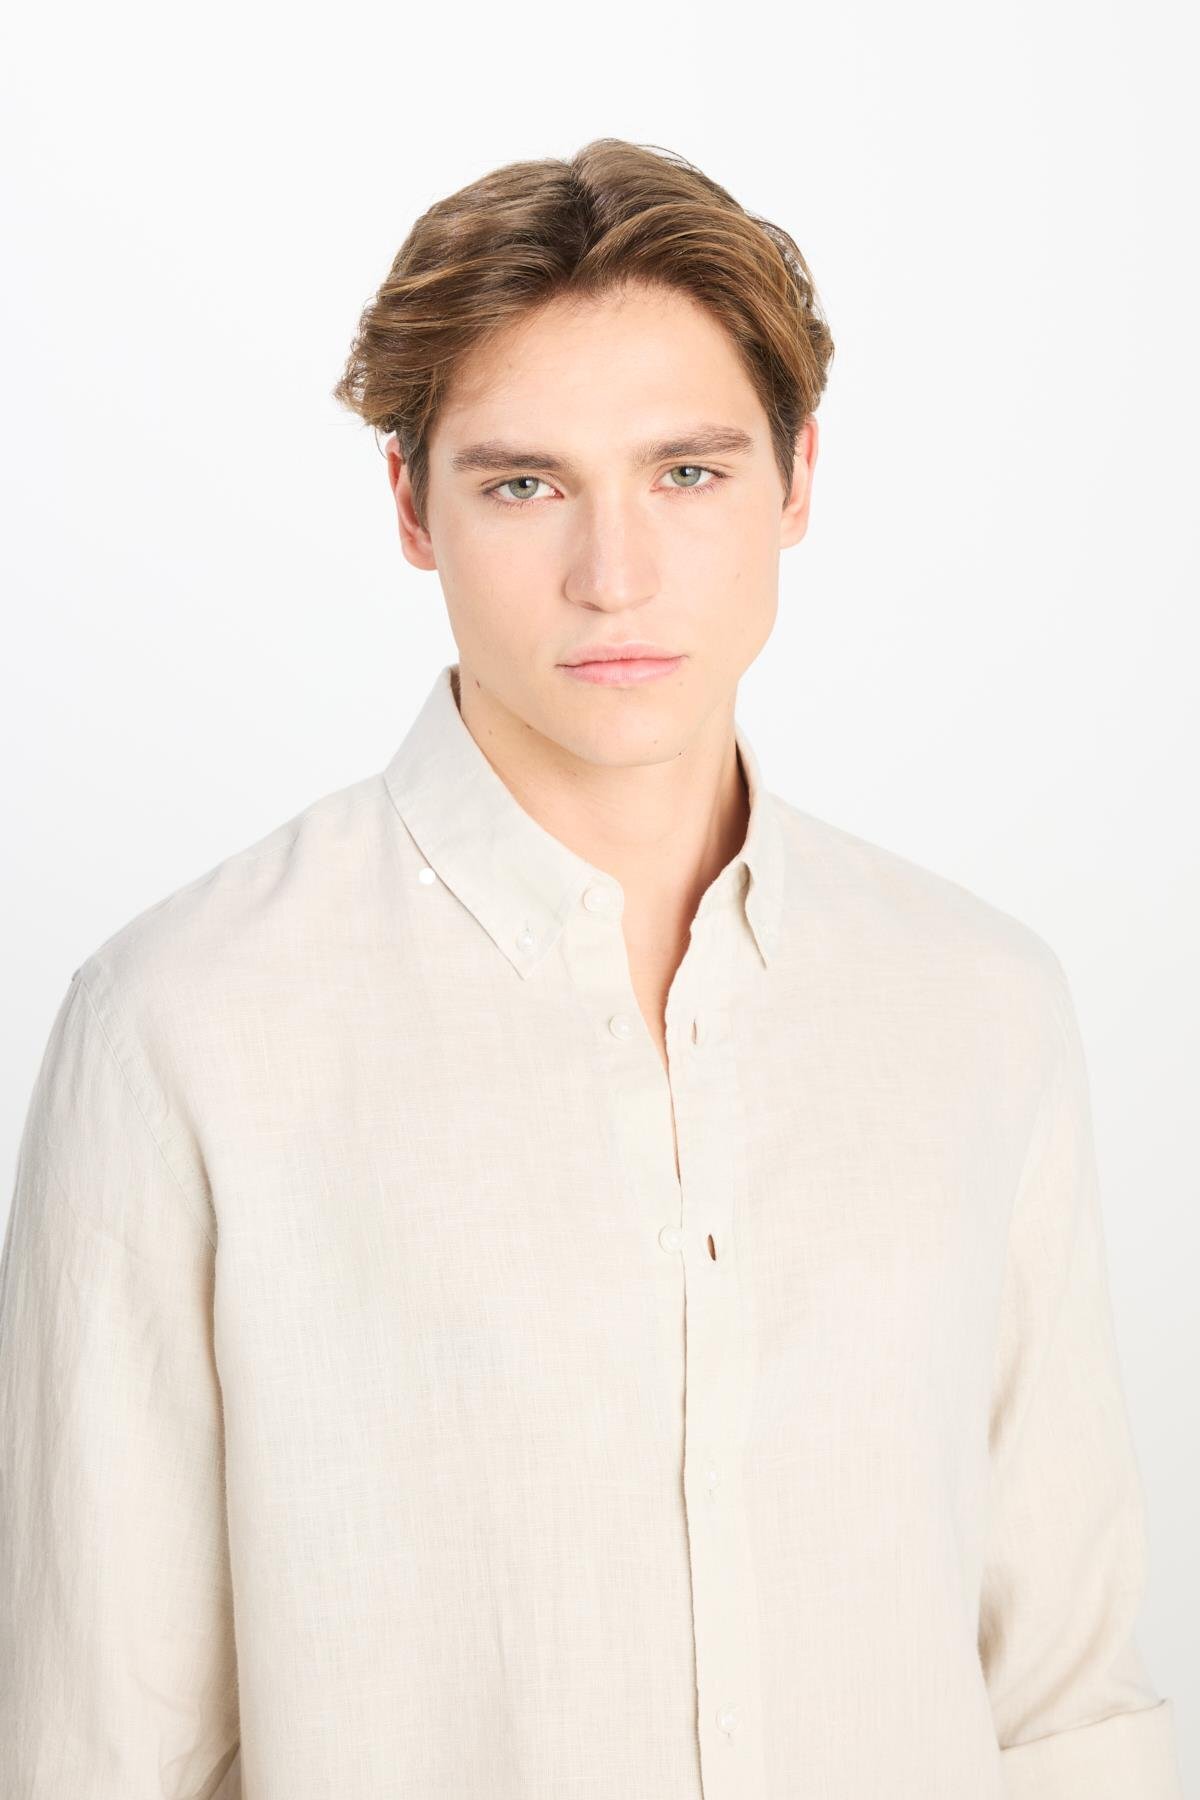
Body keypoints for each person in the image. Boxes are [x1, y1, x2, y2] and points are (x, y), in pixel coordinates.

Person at [0, 137, 1182, 1799]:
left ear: (799, 480)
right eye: (524, 484)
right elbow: (102, 1750)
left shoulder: (981, 1005)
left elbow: (1064, 1705)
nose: (612, 575)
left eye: (687, 473)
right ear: (410, 506)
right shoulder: (185, 1028)